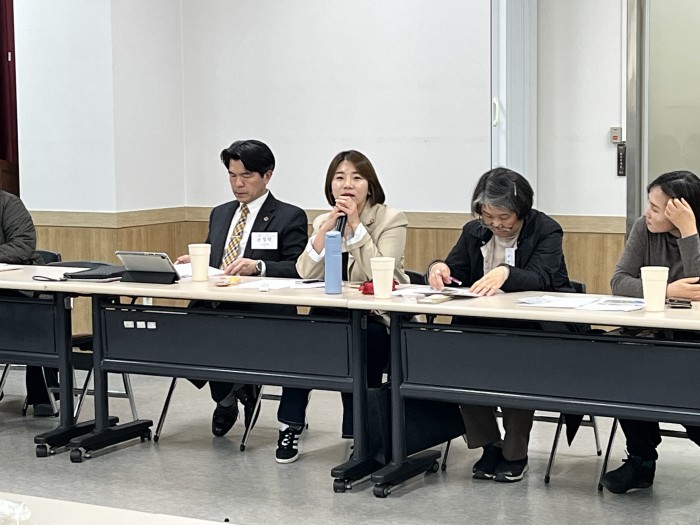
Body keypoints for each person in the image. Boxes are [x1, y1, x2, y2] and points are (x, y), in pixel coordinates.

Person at [427, 167, 576, 483]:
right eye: (488, 216)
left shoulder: (546, 230)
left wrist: (506, 273)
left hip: (532, 330)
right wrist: (438, 268)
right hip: (480, 327)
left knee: (516, 369)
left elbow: (542, 277)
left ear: (522, 210)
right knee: (460, 366)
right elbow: (456, 270)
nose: (496, 224)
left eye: (504, 217)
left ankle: (515, 452)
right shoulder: (474, 231)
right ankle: (489, 445)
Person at [274, 150, 409, 463]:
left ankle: (359, 434)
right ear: (330, 186)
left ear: (370, 186)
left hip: (376, 317)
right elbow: (305, 272)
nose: (347, 184)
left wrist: (357, 228)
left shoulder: (391, 219)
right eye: (339, 178)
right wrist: (325, 232)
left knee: (362, 344)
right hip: (332, 314)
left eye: (356, 178)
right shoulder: (325, 220)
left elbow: (381, 272)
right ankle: (290, 424)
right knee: (298, 340)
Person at [175, 139, 308, 438]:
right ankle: (229, 395)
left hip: (261, 309)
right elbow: (215, 258)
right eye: (232, 176)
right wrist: (195, 261)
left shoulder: (289, 216)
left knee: (223, 333)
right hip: (215, 304)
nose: (238, 184)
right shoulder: (221, 213)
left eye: (246, 176)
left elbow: (299, 268)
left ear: (267, 175)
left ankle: (237, 390)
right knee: (183, 334)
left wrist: (258, 266)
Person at [602, 170, 700, 494]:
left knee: (683, 387)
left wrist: (689, 232)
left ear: (681, 210)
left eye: (656, 208)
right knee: (619, 365)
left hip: (691, 340)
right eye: (649, 204)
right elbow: (619, 282)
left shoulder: (693, 231)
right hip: (649, 334)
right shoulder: (643, 229)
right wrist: (667, 289)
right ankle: (641, 460)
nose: (647, 213)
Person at [0, 189, 55, 416]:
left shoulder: (8, 203)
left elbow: (23, 245)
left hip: (21, 288)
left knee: (35, 322)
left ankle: (41, 394)